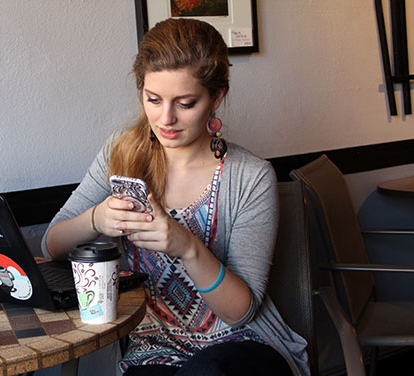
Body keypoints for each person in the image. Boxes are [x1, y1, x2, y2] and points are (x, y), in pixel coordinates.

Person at [41, 18, 309, 376]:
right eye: (153, 99)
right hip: (153, 349)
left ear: (216, 97)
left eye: (185, 103)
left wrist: (188, 247)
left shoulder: (249, 177)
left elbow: (240, 312)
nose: (165, 118)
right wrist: (97, 219)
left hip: (242, 344)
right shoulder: (121, 153)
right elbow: (52, 245)